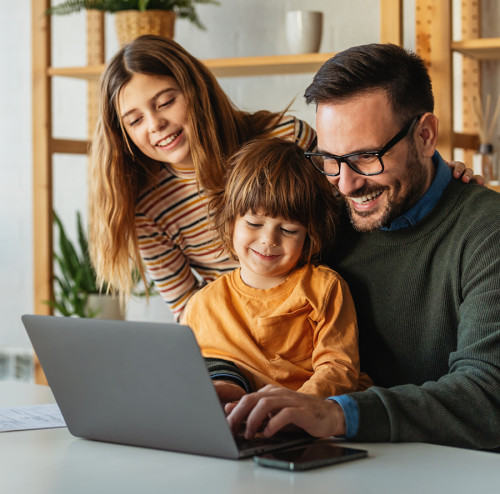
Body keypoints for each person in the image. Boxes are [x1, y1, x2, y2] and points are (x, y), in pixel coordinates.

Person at [224, 43, 500, 451]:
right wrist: (223, 380)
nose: (346, 183)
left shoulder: (486, 230)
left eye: (367, 157)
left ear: (425, 136)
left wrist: (337, 413)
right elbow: (252, 311)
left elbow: (486, 396)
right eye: (330, 159)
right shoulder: (321, 219)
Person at [88, 35, 316, 322]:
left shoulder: (288, 139)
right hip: (235, 336)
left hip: (321, 313)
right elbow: (187, 311)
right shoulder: (148, 209)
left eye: (165, 102)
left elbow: (348, 241)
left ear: (196, 89)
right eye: (135, 121)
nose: (155, 124)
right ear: (123, 135)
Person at [183, 137, 367, 398]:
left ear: (309, 236)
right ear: (231, 221)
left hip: (310, 419)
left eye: (288, 230)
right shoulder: (202, 306)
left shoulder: (324, 288)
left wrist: (299, 408)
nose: (269, 240)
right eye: (254, 224)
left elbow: (338, 369)